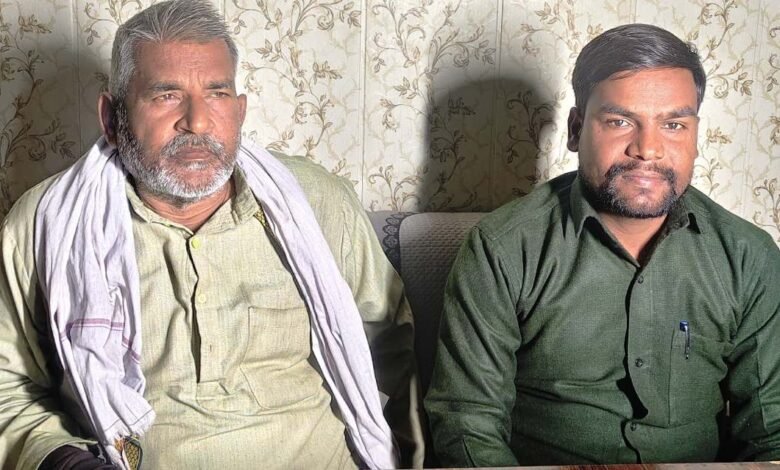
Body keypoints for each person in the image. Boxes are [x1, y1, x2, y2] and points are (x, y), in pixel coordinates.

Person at [0, 1, 423, 468]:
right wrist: (63, 461)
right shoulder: (45, 224)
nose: (197, 122)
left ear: (239, 112)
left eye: (217, 93)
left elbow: (394, 351)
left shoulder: (319, 203)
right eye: (166, 95)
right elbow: (8, 385)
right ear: (111, 119)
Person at [425, 23, 780, 466]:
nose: (648, 149)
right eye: (620, 122)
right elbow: (467, 423)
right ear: (576, 130)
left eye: (673, 124)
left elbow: (771, 430)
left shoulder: (748, 256)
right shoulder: (501, 249)